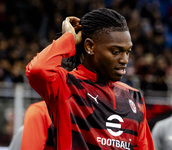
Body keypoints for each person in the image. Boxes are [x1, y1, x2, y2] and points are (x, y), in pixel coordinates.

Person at [26, 8, 154, 149]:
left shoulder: (134, 97)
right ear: (90, 47)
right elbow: (38, 69)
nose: (124, 60)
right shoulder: (67, 86)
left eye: (127, 52)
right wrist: (68, 39)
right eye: (116, 51)